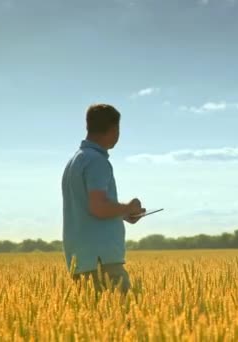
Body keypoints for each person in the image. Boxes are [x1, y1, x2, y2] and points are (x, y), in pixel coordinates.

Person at [61, 103, 145, 296]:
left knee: (96, 322)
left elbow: (88, 207)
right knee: (124, 318)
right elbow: (98, 207)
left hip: (80, 259)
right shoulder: (97, 161)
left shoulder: (75, 161)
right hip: (102, 260)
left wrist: (123, 213)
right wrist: (129, 206)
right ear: (114, 129)